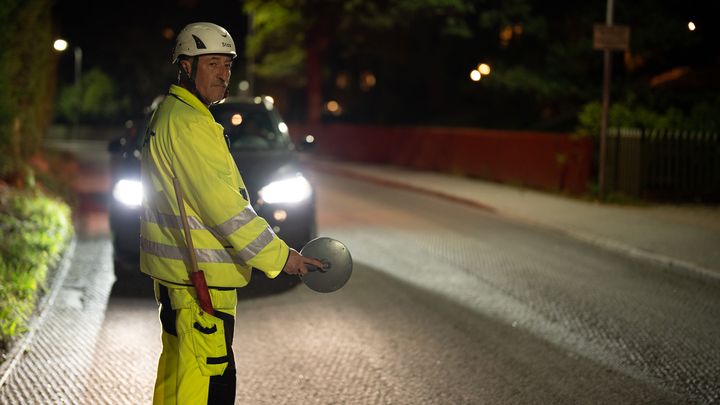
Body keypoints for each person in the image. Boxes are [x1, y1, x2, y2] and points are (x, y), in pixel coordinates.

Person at [139, 22, 324, 404]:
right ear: (186, 67)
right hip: (201, 287)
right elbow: (225, 210)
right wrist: (281, 256)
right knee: (205, 390)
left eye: (227, 65)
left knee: (177, 380)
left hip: (181, 283)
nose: (223, 74)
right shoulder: (190, 125)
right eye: (212, 64)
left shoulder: (172, 115)